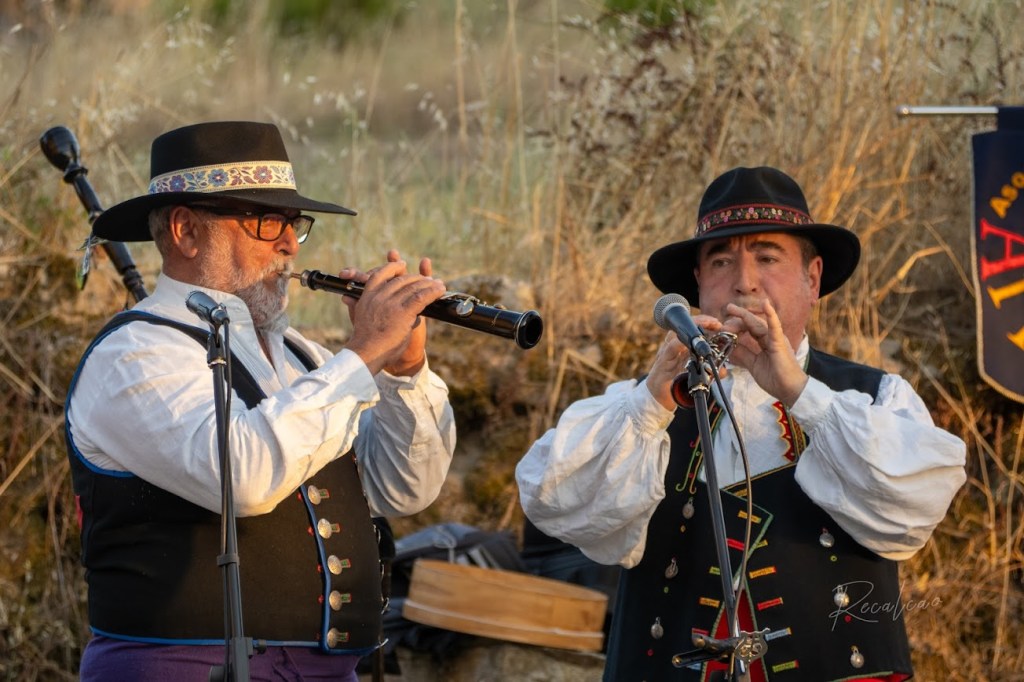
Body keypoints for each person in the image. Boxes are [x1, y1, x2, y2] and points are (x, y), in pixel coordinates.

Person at [516, 166, 967, 681]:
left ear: (812, 278)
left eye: (768, 257)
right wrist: (649, 404)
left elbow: (916, 512)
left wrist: (800, 393)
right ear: (699, 284)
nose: (745, 280)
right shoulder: (639, 410)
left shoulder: (875, 400)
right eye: (722, 261)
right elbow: (554, 503)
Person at [64, 120, 456, 681]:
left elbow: (404, 489)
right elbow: (243, 477)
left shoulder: (308, 360)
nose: (290, 243)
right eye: (266, 220)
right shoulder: (131, 357)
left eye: (294, 223)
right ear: (186, 231)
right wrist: (365, 352)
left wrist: (403, 370)